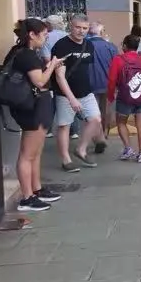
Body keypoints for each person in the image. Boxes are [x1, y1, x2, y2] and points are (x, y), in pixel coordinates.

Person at [3, 19, 65, 210]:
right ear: (32, 35)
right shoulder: (27, 55)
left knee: (35, 152)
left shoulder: (21, 53)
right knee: (27, 154)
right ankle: (27, 197)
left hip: (37, 105)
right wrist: (53, 65)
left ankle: (36, 189)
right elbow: (39, 81)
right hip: (31, 107)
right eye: (44, 34)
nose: (46, 38)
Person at [52, 13, 106, 172]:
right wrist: (71, 99)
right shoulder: (61, 46)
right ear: (71, 25)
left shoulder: (89, 45)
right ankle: (66, 160)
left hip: (86, 92)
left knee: (96, 119)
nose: (81, 31)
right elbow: (59, 76)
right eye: (78, 27)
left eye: (85, 28)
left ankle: (81, 149)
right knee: (64, 126)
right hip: (65, 94)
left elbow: (86, 68)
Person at [107, 35, 141, 163]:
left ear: (124, 46)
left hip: (125, 97)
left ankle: (128, 149)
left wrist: (111, 96)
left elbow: (112, 80)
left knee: (121, 122)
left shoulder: (118, 60)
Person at [41, 15, 80, 140]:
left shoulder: (47, 38)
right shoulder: (68, 37)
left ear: (49, 25)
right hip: (72, 73)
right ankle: (73, 131)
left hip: (52, 74)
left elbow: (47, 59)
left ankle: (48, 130)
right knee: (71, 98)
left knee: (52, 101)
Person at [87, 22, 119, 141]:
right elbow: (117, 66)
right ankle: (104, 133)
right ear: (101, 32)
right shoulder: (110, 47)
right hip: (107, 83)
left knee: (92, 112)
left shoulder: (85, 45)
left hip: (89, 83)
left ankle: (96, 135)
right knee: (106, 111)